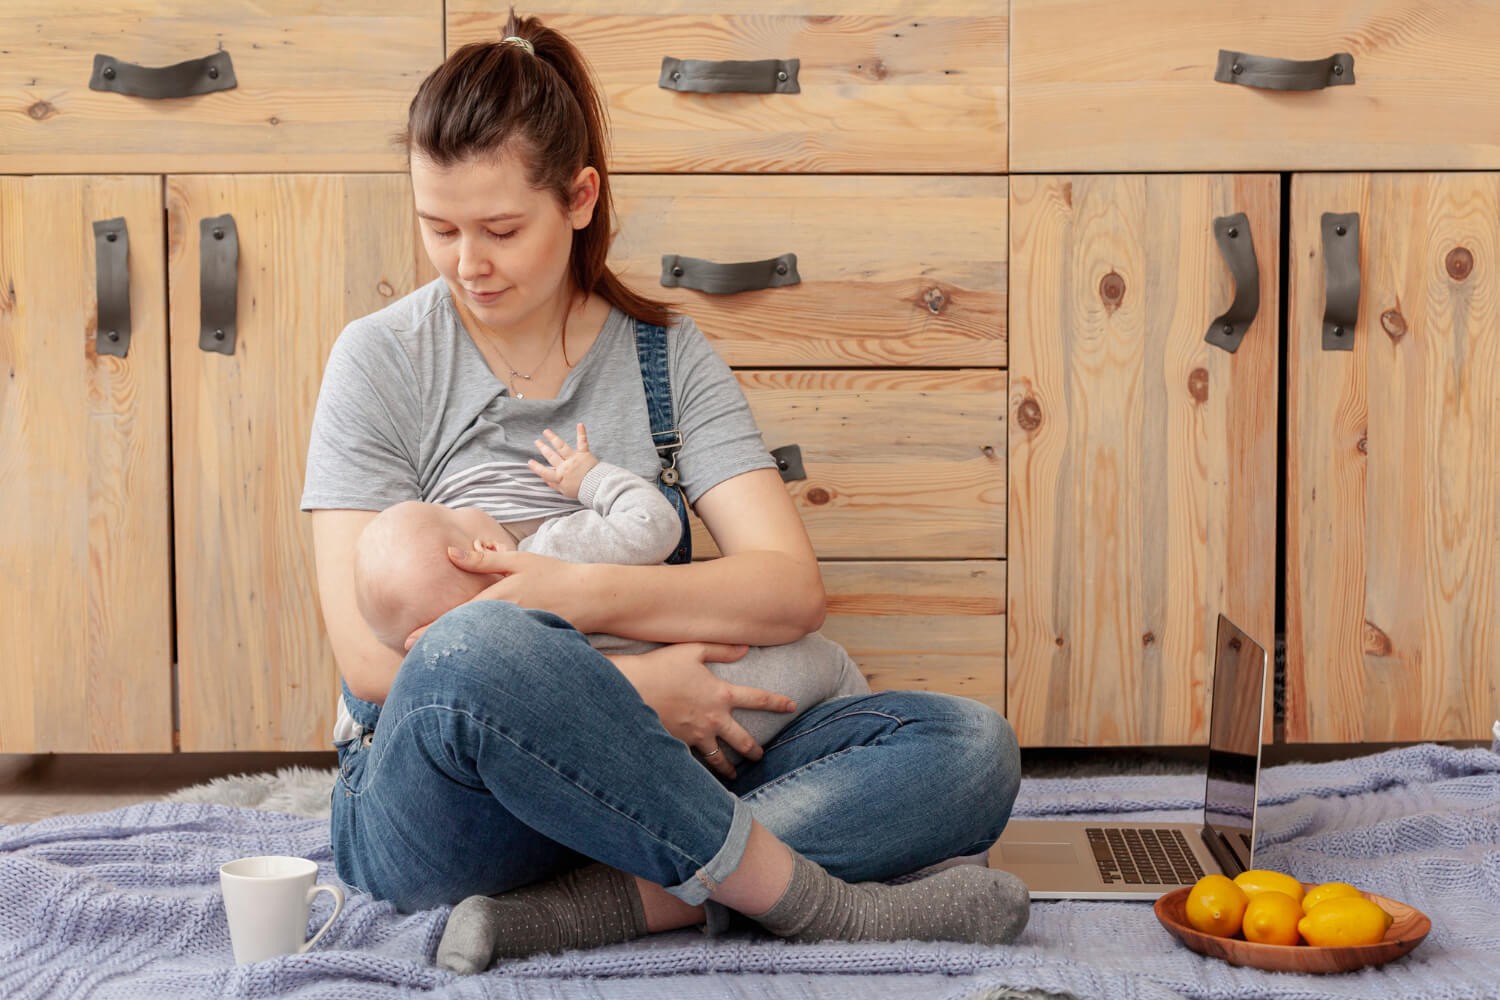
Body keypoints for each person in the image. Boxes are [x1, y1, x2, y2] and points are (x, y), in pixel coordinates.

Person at [300, 11, 1027, 974]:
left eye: (500, 229)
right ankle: (813, 903)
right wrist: (637, 694)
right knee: (477, 643)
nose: (466, 263)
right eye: (438, 228)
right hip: (453, 810)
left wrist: (572, 593)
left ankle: (596, 909)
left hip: (664, 782)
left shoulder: (665, 360)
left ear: (580, 198)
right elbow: (372, 668)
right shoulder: (383, 359)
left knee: (969, 750)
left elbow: (788, 588)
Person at [351, 422, 871, 766]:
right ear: (484, 546)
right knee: (841, 677)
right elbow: (655, 526)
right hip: (735, 693)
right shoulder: (554, 546)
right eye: (452, 510)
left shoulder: (486, 659)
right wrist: (591, 480)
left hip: (641, 758)